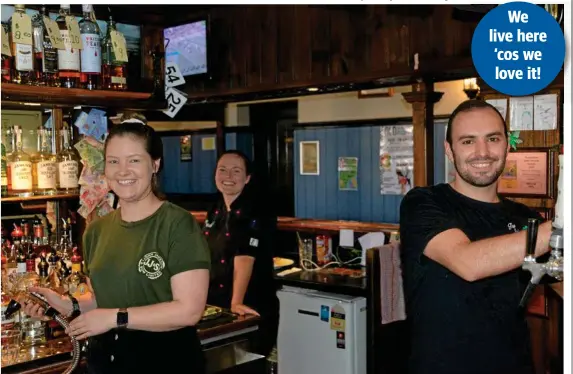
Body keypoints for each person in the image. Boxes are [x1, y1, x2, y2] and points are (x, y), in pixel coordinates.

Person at [22, 114, 211, 374]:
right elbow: (105, 299)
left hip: (165, 361)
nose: (123, 171)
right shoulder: (97, 230)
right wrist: (67, 305)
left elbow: (189, 311)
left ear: (155, 165)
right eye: (113, 161)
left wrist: (115, 318)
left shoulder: (177, 224)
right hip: (106, 361)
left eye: (134, 160)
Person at [399, 99, 554, 374]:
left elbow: (561, 281)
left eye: (492, 139)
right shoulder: (423, 203)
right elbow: (469, 263)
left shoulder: (525, 218)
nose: (482, 152)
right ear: (449, 150)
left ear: (507, 144)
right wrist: (561, 227)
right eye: (468, 141)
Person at [203, 150, 279, 357]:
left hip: (248, 305)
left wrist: (236, 302)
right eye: (222, 170)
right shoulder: (216, 208)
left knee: (246, 362)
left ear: (247, 178)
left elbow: (245, 258)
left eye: (236, 171)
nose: (228, 177)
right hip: (218, 304)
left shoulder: (257, 210)